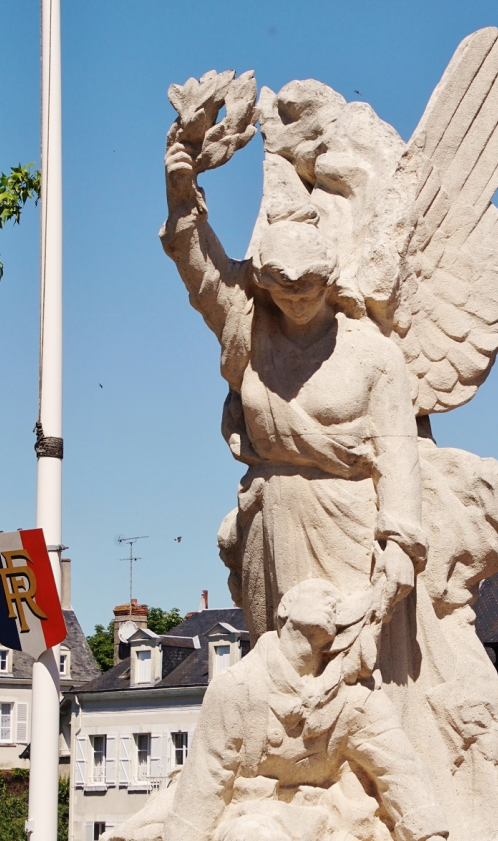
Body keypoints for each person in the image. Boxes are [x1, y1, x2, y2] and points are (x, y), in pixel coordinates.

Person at [161, 140, 427, 641]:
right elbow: (202, 274)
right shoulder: (249, 329)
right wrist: (182, 196)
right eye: (284, 288)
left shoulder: (373, 353)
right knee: (274, 666)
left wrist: (399, 544)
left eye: (309, 287)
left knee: (349, 677)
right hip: (270, 517)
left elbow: (398, 453)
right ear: (263, 281)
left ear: (329, 279)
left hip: (348, 523)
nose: (298, 299)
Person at [155, 578, 461, 841]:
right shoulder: (237, 687)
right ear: (284, 608)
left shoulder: (352, 699)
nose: (334, 602)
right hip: (239, 812)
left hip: (308, 825)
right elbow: (208, 774)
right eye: (322, 594)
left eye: (338, 601)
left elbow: (398, 769)